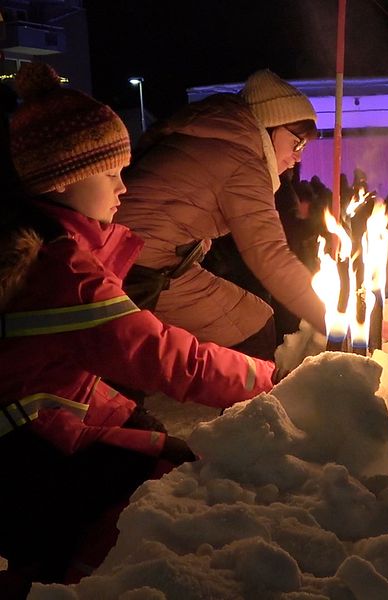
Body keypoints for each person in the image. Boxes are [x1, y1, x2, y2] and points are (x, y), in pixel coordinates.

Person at [0, 63, 276, 598]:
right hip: (23, 461)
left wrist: (130, 417)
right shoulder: (63, 273)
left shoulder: (51, 248)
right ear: (64, 177)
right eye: (112, 174)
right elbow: (163, 355)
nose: (125, 188)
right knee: (149, 489)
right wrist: (268, 378)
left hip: (25, 441)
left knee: (153, 444)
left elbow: (62, 377)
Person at [115, 69, 326, 360]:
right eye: (297, 142)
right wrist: (329, 317)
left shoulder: (217, 139)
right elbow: (270, 255)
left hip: (126, 252)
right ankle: (252, 405)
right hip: (142, 265)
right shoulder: (243, 159)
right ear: (271, 127)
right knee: (253, 323)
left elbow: (177, 208)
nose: (299, 155)